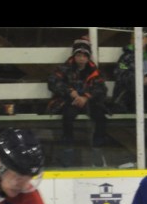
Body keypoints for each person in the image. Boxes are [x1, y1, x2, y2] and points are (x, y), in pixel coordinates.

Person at [46, 36, 108, 165]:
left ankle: (97, 148)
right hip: (69, 101)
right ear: (74, 56)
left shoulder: (94, 70)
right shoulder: (64, 68)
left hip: (88, 101)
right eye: (79, 55)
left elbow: (101, 88)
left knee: (101, 117)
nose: (81, 58)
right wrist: (70, 92)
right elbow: (53, 82)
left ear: (88, 57)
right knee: (68, 116)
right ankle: (68, 148)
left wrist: (86, 97)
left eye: (84, 55)